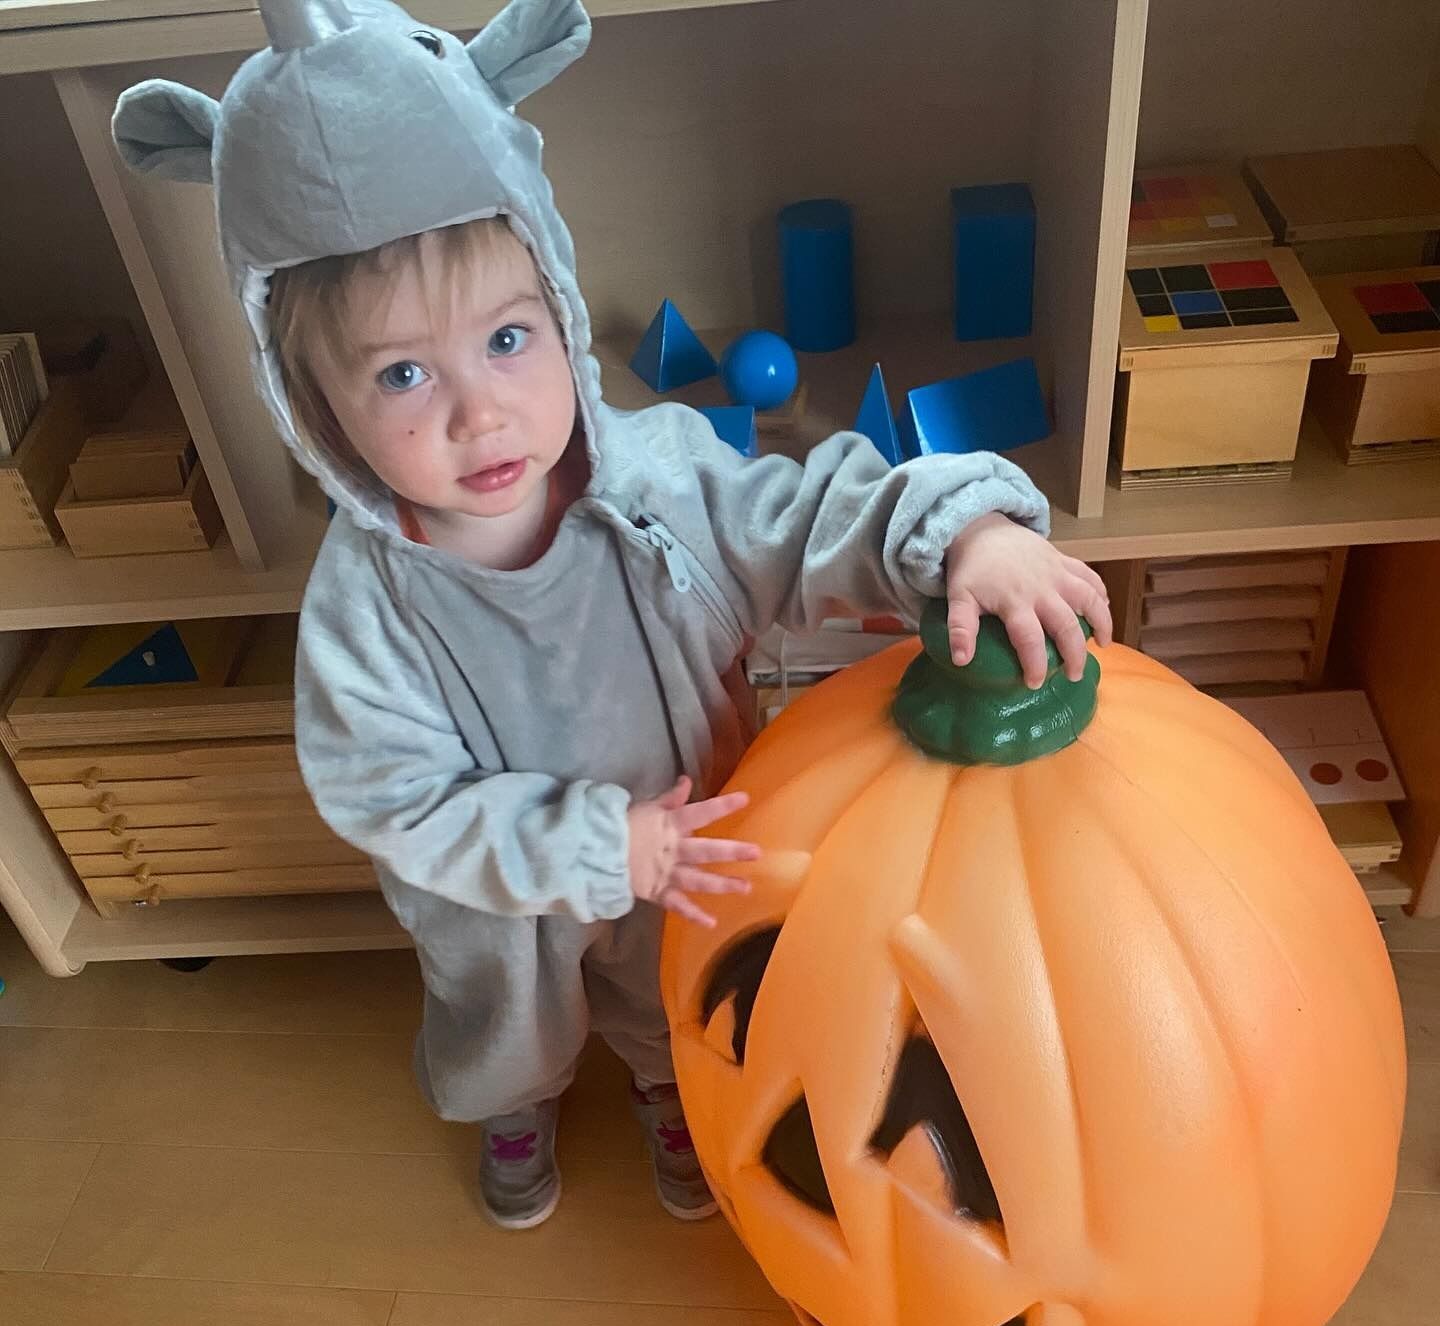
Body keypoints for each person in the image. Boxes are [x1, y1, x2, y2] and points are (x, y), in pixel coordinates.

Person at [112, 0, 1111, 1231]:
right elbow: (392, 796)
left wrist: (964, 529)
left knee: (676, 1001)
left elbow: (810, 516)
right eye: (402, 375)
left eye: (508, 339)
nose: (480, 415)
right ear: (317, 410)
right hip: (499, 892)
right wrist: (589, 847)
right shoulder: (363, 605)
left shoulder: (659, 482)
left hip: (696, 844)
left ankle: (668, 1093)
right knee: (504, 1026)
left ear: (562, 314)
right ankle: (520, 1110)